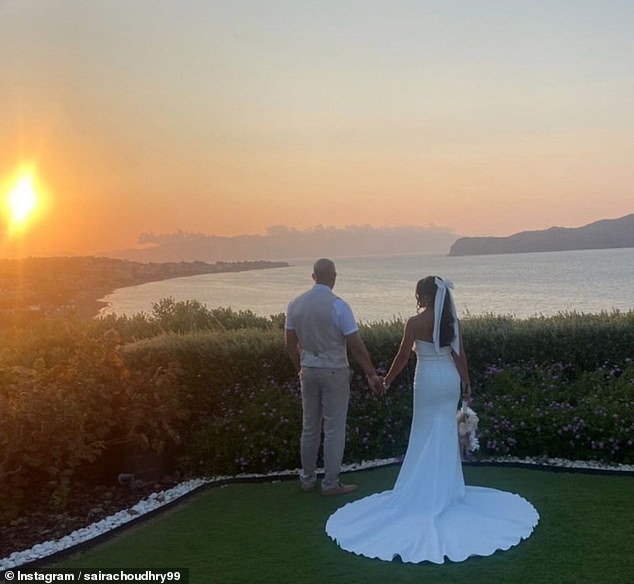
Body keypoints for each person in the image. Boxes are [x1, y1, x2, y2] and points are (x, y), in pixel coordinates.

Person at [325, 276, 539, 563]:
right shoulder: (452, 323)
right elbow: (460, 357)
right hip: (448, 380)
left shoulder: (414, 323)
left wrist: (386, 380)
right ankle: (448, 490)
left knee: (424, 433)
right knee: (445, 434)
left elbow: (402, 356)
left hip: (426, 381)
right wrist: (467, 384)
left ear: (423, 296)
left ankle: (424, 491)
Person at [285, 258, 384, 496]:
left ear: (313, 276)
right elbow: (356, 345)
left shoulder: (294, 305)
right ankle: (330, 483)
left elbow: (289, 345)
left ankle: (307, 480)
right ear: (334, 277)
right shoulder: (339, 306)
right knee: (334, 428)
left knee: (309, 426)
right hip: (334, 369)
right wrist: (371, 373)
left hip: (308, 369)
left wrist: (301, 367)